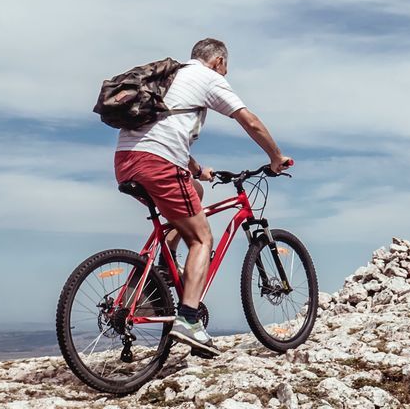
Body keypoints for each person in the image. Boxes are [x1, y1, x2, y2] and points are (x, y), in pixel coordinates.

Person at [113, 38, 292, 357]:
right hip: (159, 163)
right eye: (226, 67)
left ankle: (163, 271)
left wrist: (196, 168)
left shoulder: (170, 78)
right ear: (219, 61)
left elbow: (163, 131)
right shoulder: (208, 78)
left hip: (127, 161)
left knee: (192, 194)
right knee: (201, 239)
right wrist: (275, 156)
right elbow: (248, 120)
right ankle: (188, 320)